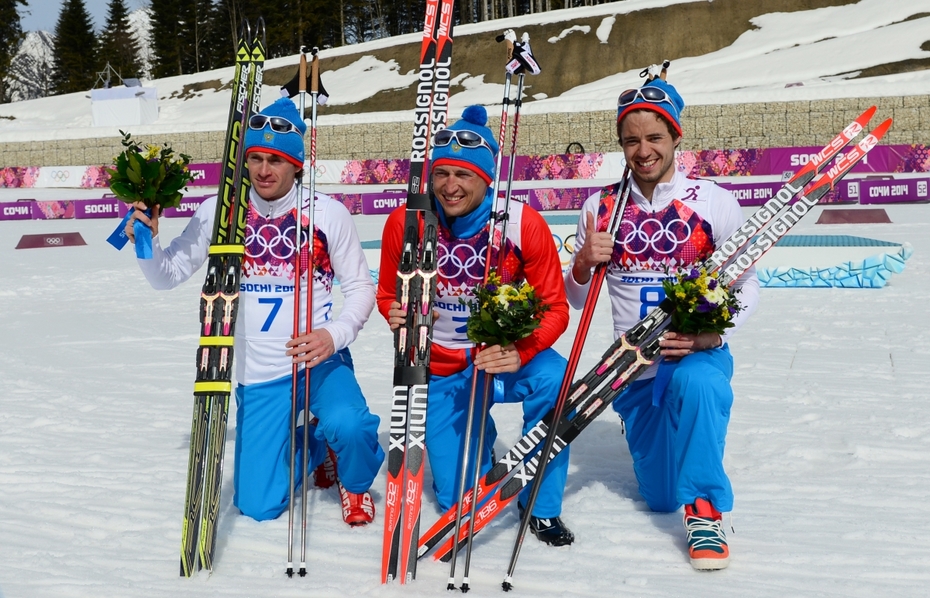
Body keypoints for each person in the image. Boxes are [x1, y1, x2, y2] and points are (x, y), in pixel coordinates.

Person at [126, 97, 384, 526]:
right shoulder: (219, 213)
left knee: (351, 426)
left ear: (297, 165)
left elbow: (359, 288)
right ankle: (317, 447)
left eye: (276, 161)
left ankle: (354, 484)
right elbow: (165, 276)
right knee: (257, 506)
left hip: (316, 360)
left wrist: (333, 336)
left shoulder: (327, 213)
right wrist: (145, 241)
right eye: (256, 158)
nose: (264, 170)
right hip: (258, 372)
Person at [564, 73, 760, 569]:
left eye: (654, 137)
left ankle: (706, 513)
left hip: (697, 354)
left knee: (699, 389)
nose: (643, 150)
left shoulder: (713, 202)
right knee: (659, 496)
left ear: (676, 137)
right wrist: (584, 262)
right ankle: (668, 443)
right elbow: (574, 297)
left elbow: (748, 286)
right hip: (630, 370)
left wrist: (708, 335)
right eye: (631, 140)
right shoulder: (601, 206)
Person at [376, 105, 574, 546]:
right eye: (441, 173)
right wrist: (396, 315)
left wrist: (520, 351)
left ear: (486, 178)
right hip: (443, 364)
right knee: (458, 501)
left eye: (463, 175)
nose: (450, 186)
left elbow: (555, 307)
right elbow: (388, 293)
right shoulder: (406, 222)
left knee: (557, 382)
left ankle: (540, 505)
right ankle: (475, 442)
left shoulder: (521, 222)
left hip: (503, 356)